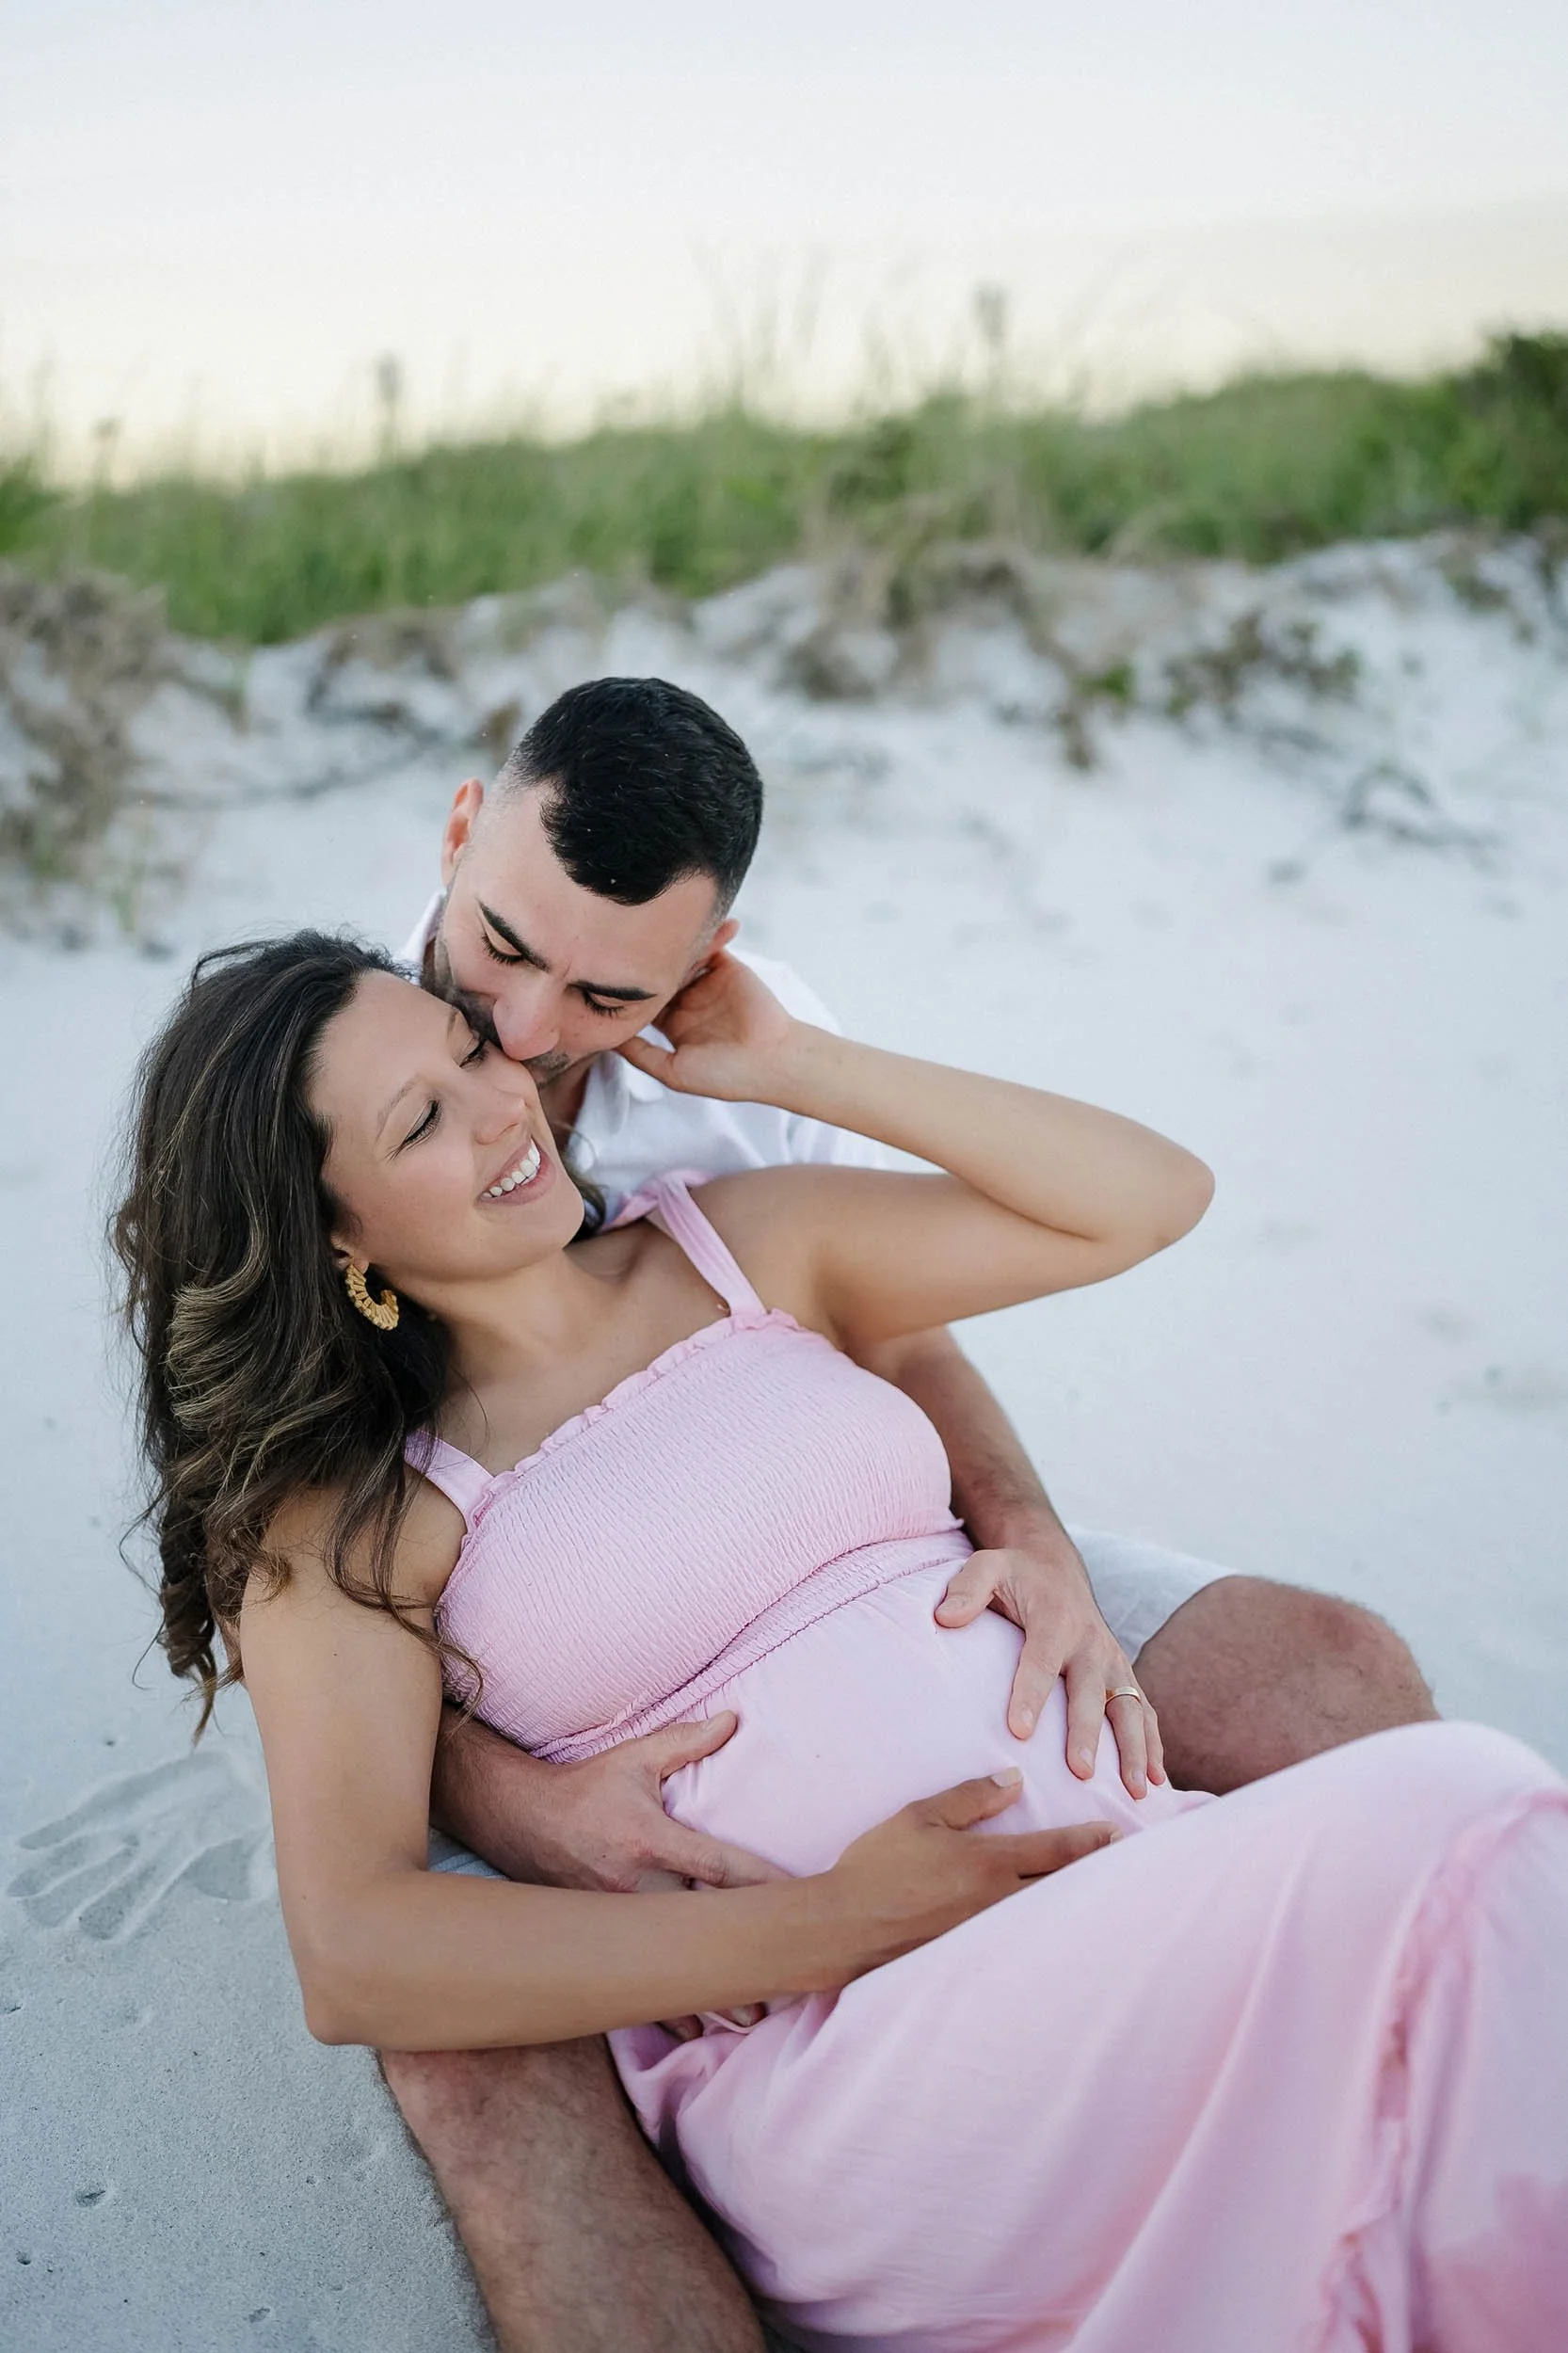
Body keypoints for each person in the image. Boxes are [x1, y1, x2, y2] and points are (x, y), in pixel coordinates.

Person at [115, 926, 1568, 2353]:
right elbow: (356, 1946)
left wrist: (794, 1062)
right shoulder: (358, 1512)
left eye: (469, 1046)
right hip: (868, 2059)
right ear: (331, 1232)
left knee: (1479, 2056)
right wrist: (825, 1928)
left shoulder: (741, 1245)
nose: (504, 1101)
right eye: (425, 1117)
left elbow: (1140, 1199)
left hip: (1148, 1890)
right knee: (1472, 1814)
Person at [377, 679, 1436, 2347]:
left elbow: (904, 1324)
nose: (520, 1031)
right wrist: (512, 1803)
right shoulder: (322, 1083)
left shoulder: (738, 1048)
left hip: (858, 1527)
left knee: (1332, 1668)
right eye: (502, 946)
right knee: (470, 2060)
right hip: (553, 1669)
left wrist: (1032, 1541)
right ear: (458, 829)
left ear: (710, 952)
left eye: (601, 992)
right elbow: (272, 1586)